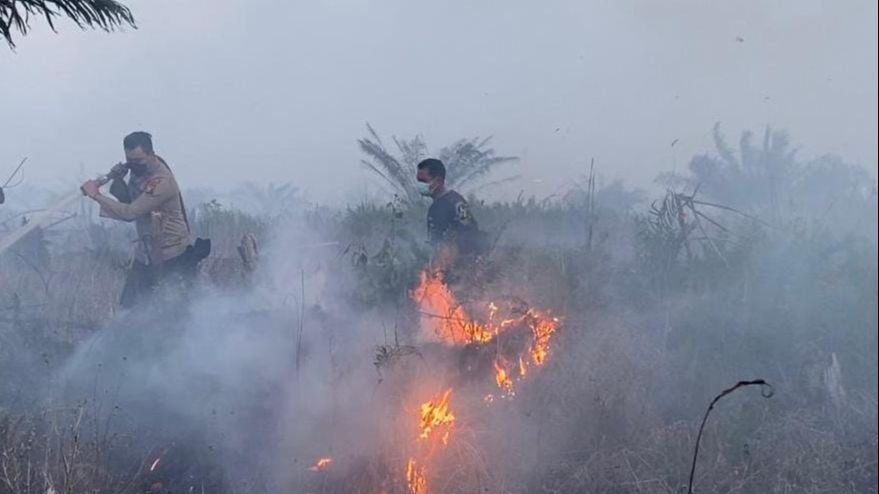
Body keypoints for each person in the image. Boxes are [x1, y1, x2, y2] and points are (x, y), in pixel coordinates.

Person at [80, 131, 208, 307]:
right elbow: (127, 200)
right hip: (146, 253)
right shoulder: (138, 171)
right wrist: (117, 179)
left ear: (150, 154)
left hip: (172, 255)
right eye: (129, 160)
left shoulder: (162, 181)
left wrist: (96, 195)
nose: (133, 165)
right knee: (129, 307)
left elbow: (130, 213)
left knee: (175, 311)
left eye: (138, 161)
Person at [415, 158, 486, 271]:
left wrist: (453, 251)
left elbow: (471, 232)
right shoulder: (434, 208)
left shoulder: (455, 203)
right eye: (418, 181)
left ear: (438, 181)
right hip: (441, 268)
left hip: (462, 269)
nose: (420, 185)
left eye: (423, 181)